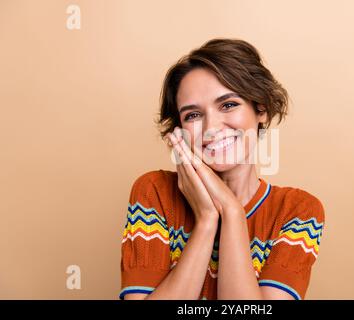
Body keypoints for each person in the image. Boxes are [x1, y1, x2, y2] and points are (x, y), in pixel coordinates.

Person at [120, 38, 325, 300]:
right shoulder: (154, 193)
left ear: (260, 108)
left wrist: (232, 213)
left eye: (228, 105)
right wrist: (207, 220)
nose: (211, 128)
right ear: (179, 131)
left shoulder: (298, 211)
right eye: (193, 115)